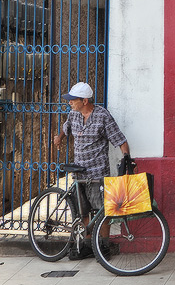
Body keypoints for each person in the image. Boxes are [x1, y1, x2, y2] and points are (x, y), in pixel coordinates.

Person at [52, 81, 129, 259]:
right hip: (79, 172)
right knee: (83, 211)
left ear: (85, 100)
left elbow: (120, 140)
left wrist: (126, 158)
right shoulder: (74, 114)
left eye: (73, 100)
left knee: (103, 211)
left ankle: (103, 246)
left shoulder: (103, 116)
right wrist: (59, 138)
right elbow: (66, 127)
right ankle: (87, 246)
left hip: (97, 173)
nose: (70, 102)